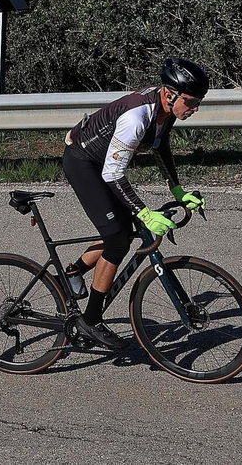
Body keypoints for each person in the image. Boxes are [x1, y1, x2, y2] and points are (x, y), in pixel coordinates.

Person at [59, 57, 210, 350]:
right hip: (83, 162)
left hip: (104, 164)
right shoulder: (137, 117)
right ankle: (91, 321)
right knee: (117, 240)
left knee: (124, 233)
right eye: (191, 102)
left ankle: (72, 272)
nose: (195, 109)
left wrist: (178, 191)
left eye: (199, 102)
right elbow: (112, 174)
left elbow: (160, 147)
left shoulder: (166, 110)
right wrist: (145, 213)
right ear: (170, 94)